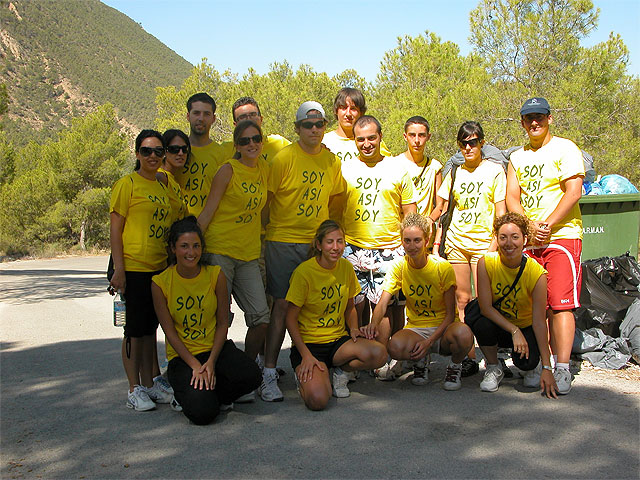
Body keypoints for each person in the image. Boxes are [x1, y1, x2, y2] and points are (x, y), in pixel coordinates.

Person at [261, 101, 345, 402]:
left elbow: (336, 199)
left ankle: (322, 365)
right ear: (297, 128)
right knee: (282, 307)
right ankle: (268, 372)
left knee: (315, 305)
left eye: (319, 124)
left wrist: (329, 237)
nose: (314, 129)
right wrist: (265, 238)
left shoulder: (332, 162)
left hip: (316, 244)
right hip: (283, 241)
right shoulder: (284, 158)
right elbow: (267, 203)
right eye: (307, 125)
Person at [506, 97, 584, 394]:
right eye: (529, 118)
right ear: (523, 123)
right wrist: (528, 226)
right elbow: (513, 196)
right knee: (533, 305)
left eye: (539, 117)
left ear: (549, 118)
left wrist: (547, 225)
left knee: (560, 304)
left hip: (561, 236)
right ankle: (540, 361)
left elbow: (573, 191)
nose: (534, 123)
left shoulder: (565, 148)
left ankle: (562, 367)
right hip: (531, 240)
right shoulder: (517, 157)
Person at [151, 217, 262, 424]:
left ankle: (209, 389)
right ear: (173, 249)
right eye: (184, 246)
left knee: (252, 375)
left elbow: (222, 323)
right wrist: (195, 365)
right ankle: (186, 394)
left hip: (214, 351)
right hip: (183, 358)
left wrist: (210, 362)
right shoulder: (160, 283)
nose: (191, 252)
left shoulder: (215, 274)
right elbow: (170, 332)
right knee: (203, 414)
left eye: (196, 246)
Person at [197, 120, 270, 400]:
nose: (252, 144)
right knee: (219, 319)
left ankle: (244, 372)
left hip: (249, 253)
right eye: (245, 141)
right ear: (236, 146)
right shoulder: (227, 170)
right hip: (220, 251)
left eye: (256, 139)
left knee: (261, 317)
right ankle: (210, 373)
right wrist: (190, 248)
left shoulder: (263, 168)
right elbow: (209, 210)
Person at [285, 220, 387, 409]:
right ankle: (307, 376)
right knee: (318, 401)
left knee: (379, 354)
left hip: (337, 341)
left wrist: (354, 329)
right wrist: (305, 355)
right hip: (310, 345)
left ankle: (341, 371)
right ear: (319, 245)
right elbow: (290, 319)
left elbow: (350, 307)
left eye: (340, 241)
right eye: (330, 242)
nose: (335, 247)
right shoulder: (304, 272)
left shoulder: (346, 267)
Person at [365, 213, 473, 389]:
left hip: (443, 327)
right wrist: (373, 324)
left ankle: (454, 366)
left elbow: (449, 314)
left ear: (427, 240)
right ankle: (420, 362)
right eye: (407, 241)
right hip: (417, 327)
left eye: (417, 240)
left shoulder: (441, 267)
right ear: (401, 241)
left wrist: (429, 342)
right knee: (395, 347)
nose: (412, 246)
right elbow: (383, 302)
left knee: (464, 334)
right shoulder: (399, 265)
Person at [109, 129, 175, 411]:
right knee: (133, 332)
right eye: (146, 151)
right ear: (137, 154)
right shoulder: (127, 184)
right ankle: (133, 388)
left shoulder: (163, 184)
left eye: (159, 151)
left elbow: (178, 209)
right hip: (133, 267)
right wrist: (119, 269)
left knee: (150, 330)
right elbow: (115, 227)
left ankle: (149, 383)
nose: (153, 156)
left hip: (158, 268)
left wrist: (167, 181)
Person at [435, 121, 506, 377]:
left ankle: (491, 356)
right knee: (462, 300)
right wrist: (433, 240)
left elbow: (501, 212)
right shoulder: (455, 172)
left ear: (482, 143)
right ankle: (468, 355)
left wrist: (493, 246)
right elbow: (443, 210)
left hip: (483, 246)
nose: (468, 147)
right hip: (456, 243)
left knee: (485, 303)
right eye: (463, 143)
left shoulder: (495, 171)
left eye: (473, 142)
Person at [468, 212, 559, 398]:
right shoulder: (486, 263)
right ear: (497, 239)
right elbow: (485, 307)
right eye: (503, 237)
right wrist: (513, 330)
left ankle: (535, 366)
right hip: (501, 324)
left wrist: (547, 367)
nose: (509, 243)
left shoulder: (537, 273)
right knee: (476, 316)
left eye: (515, 237)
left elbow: (540, 322)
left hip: (526, 326)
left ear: (525, 239)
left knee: (527, 366)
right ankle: (494, 366)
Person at [341, 115, 416, 335]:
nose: (366, 144)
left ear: (380, 137)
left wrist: (409, 249)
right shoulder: (344, 169)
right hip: (353, 248)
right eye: (360, 139)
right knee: (354, 306)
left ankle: (386, 358)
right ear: (354, 140)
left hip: (390, 248)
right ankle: (361, 357)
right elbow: (335, 209)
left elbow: (410, 213)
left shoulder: (397, 168)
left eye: (371, 138)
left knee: (386, 309)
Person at [174, 92, 225, 216]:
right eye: (196, 113)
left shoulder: (222, 154)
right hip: (175, 226)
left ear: (213, 119)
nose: (201, 118)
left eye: (206, 114)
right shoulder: (174, 150)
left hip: (210, 228)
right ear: (188, 116)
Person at [392, 116, 443, 224]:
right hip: (399, 229)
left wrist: (430, 220)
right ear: (405, 136)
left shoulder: (434, 167)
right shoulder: (395, 163)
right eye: (412, 135)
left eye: (421, 135)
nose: (416, 140)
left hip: (424, 231)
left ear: (428, 137)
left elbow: (440, 204)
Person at [322, 87, 391, 163]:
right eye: (343, 108)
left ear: (361, 112)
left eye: (353, 109)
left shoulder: (374, 142)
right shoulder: (324, 141)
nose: (348, 114)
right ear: (336, 111)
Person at [219, 96, 290, 165]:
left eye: (253, 114)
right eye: (242, 117)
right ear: (235, 124)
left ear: (261, 119)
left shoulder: (279, 143)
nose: (249, 119)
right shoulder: (224, 150)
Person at [159, 129, 189, 221]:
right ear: (164, 152)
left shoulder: (173, 181)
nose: (180, 153)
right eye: (174, 149)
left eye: (184, 149)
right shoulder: (160, 177)